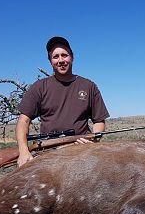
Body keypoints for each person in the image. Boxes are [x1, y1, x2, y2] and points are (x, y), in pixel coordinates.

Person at [16, 36, 110, 167]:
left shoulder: (89, 86)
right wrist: (23, 151)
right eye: (55, 57)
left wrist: (93, 140)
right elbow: (23, 120)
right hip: (48, 152)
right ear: (50, 61)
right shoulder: (39, 87)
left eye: (64, 55)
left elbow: (99, 120)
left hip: (82, 151)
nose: (61, 60)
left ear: (72, 57)